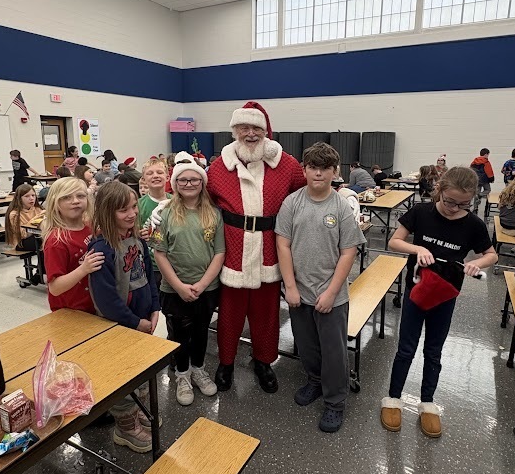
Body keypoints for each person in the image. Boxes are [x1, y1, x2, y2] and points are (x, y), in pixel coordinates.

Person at [380, 166, 497, 438]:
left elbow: (491, 255)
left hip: (445, 296)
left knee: (434, 351)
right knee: (406, 348)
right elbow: (394, 241)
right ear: (439, 190)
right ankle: (393, 398)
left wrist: (477, 263)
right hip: (416, 291)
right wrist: (418, 248)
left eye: (463, 204)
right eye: (449, 201)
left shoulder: (474, 224)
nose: (455, 208)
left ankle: (428, 402)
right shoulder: (421, 212)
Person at [206, 102, 306, 393]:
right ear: (235, 131)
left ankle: (264, 361)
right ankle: (226, 362)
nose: (250, 133)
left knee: (266, 314)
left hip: (269, 250)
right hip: (233, 252)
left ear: (266, 131)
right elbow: (200, 201)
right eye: (244, 128)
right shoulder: (219, 166)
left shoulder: (286, 164)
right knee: (229, 315)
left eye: (256, 128)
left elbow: (307, 192)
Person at [276, 143, 365, 433]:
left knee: (334, 351)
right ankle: (314, 380)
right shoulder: (292, 203)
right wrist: (290, 287)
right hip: (299, 293)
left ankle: (335, 401)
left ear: (335, 172)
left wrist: (330, 293)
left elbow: (348, 252)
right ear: (304, 170)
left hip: (332, 295)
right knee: (307, 345)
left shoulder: (340, 207)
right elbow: (283, 245)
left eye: (325, 168)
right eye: (313, 167)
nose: (318, 173)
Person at [88, 182, 160, 452]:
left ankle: (138, 413)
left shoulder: (137, 240)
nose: (132, 214)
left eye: (133, 207)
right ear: (107, 212)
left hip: (142, 322)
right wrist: (135, 322)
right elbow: (106, 301)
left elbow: (148, 277)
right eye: (123, 210)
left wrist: (155, 308)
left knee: (140, 370)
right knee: (123, 376)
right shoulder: (101, 249)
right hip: (120, 328)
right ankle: (125, 427)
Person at [152, 154, 225, 405]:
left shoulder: (213, 214)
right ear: (175, 183)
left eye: (194, 179)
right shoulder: (165, 213)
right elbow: (159, 253)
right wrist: (179, 286)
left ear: (202, 183)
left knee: (201, 331)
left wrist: (202, 285)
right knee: (180, 334)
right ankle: (182, 374)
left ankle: (198, 369)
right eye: (183, 180)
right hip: (174, 289)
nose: (189, 184)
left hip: (207, 288)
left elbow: (219, 252)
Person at [43, 177, 103, 313]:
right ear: (55, 202)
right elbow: (55, 288)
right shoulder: (56, 241)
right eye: (67, 197)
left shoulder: (91, 227)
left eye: (80, 196)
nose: (75, 201)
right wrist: (84, 269)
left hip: (94, 306)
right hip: (71, 311)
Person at [5, 183, 44, 252]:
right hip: (21, 242)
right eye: (27, 196)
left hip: (37, 236)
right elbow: (23, 235)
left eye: (33, 195)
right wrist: (36, 220)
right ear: (19, 199)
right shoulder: (14, 214)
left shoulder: (38, 209)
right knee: (43, 241)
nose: (31, 198)